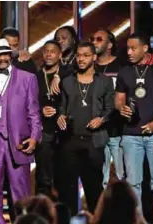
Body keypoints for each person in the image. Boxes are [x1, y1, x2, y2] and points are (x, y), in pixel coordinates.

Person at [0, 38, 41, 224]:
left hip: (18, 141)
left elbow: (34, 112)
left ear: (10, 55)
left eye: (5, 54)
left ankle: (24, 221)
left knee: (20, 189)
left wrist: (35, 137)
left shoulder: (27, 79)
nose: (2, 58)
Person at [56, 42, 114, 214]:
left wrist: (101, 119)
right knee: (67, 190)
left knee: (94, 189)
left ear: (94, 57)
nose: (81, 59)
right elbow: (62, 107)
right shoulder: (67, 82)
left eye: (86, 55)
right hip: (70, 141)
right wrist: (60, 116)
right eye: (79, 55)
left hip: (93, 142)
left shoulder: (104, 81)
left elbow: (110, 107)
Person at [115, 33, 153, 222]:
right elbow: (118, 99)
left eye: (134, 48)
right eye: (127, 48)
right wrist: (121, 108)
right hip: (130, 135)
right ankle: (137, 220)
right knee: (133, 183)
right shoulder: (124, 72)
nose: (130, 52)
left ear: (145, 49)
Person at [34, 40, 70, 199]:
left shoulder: (68, 74)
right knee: (43, 178)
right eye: (45, 51)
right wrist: (41, 110)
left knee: (64, 178)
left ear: (60, 55)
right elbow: (28, 103)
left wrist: (59, 75)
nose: (48, 54)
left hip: (65, 132)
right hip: (45, 132)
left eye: (52, 51)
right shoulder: (35, 76)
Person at [91, 29, 125, 188]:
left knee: (122, 176)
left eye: (99, 39)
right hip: (97, 130)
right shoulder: (90, 68)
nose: (94, 42)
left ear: (110, 44)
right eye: (92, 39)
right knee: (99, 178)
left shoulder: (122, 66)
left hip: (119, 128)